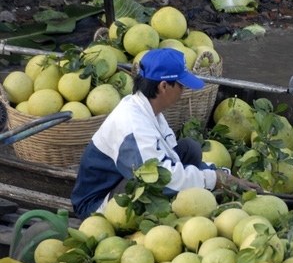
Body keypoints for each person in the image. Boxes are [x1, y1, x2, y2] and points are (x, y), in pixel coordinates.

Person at [71, 48, 260, 220]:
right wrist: (212, 180)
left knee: (189, 148)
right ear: (163, 86)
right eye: (181, 84)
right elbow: (158, 177)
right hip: (96, 206)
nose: (184, 89)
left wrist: (221, 175)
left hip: (128, 178)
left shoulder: (150, 110)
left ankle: (185, 201)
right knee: (151, 184)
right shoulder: (132, 124)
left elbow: (172, 155)